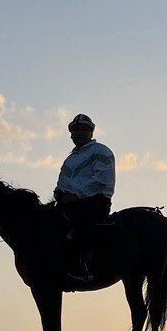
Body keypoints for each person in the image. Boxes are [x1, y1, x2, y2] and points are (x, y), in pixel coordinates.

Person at [53, 114, 116, 283]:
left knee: (79, 220)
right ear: (71, 134)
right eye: (76, 130)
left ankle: (84, 267)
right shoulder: (69, 160)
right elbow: (62, 182)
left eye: (84, 129)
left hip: (96, 200)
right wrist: (59, 193)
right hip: (70, 202)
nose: (80, 133)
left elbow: (102, 179)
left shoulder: (101, 151)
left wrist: (76, 195)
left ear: (91, 132)